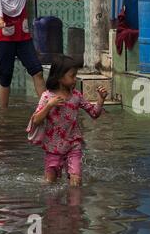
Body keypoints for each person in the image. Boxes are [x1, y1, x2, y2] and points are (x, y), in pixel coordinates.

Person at [0, 0, 83, 109]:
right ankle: (4, 112)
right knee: (5, 74)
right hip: (4, 39)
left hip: (23, 39)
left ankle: (46, 107)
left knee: (37, 71)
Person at [28, 55, 108, 187]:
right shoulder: (47, 96)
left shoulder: (76, 96)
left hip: (73, 145)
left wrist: (101, 99)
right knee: (50, 184)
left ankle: (74, 206)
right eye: (72, 76)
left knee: (76, 181)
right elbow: (35, 121)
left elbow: (94, 114)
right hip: (53, 148)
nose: (75, 79)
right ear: (59, 77)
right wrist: (49, 106)